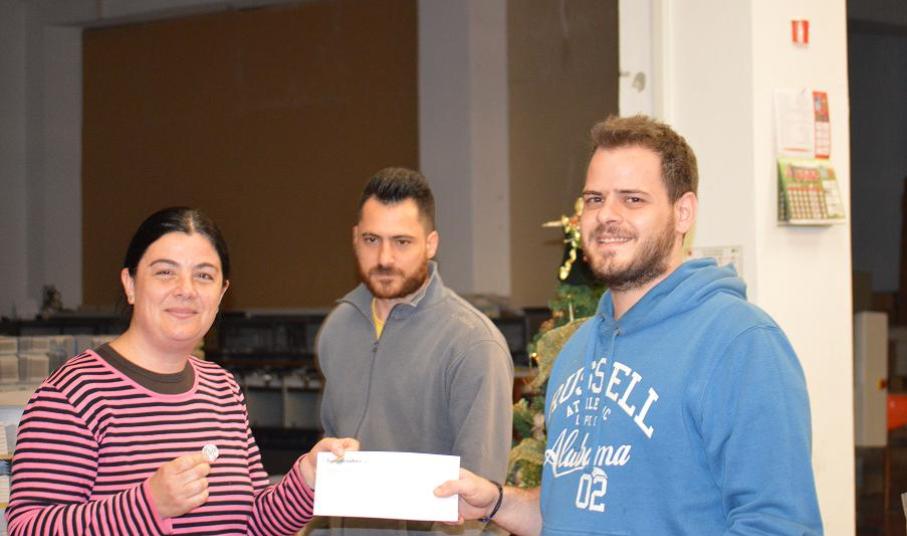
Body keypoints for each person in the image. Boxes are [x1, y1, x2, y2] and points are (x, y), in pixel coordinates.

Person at [435, 115, 823, 535]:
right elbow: (571, 515)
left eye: (633, 199)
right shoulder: (576, 350)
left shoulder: (741, 343)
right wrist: (498, 501)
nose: (606, 215)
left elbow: (779, 526)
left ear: (683, 212)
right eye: (594, 199)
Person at [6, 207, 358, 535]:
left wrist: (306, 480)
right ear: (130, 284)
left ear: (221, 293)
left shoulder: (222, 389)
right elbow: (27, 528)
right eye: (165, 272)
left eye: (203, 276)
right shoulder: (72, 394)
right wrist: (148, 505)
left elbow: (253, 524)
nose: (186, 290)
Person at [314, 167, 514, 535]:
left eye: (402, 241)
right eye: (372, 239)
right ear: (355, 238)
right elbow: (328, 453)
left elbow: (477, 504)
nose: (385, 258)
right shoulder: (337, 328)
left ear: (431, 244)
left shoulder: (473, 343)